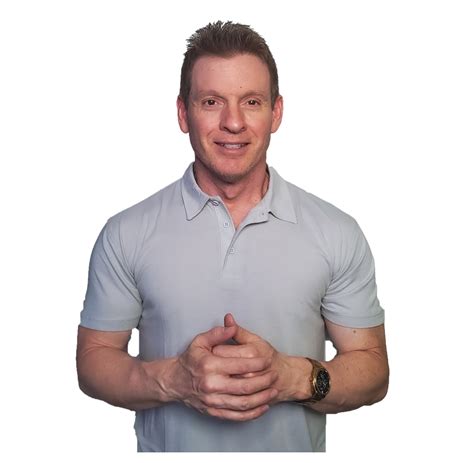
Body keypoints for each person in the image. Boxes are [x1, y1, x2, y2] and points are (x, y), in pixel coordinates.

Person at [76, 20, 389, 452]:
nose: (234, 122)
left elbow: (373, 371)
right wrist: (173, 381)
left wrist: (291, 378)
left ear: (276, 113)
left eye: (252, 102)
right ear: (183, 113)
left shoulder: (336, 233)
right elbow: (93, 361)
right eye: (211, 102)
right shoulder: (125, 233)